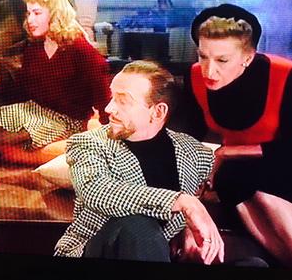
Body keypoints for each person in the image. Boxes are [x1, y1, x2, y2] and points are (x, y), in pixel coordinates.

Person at [55, 60, 224, 264]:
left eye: (122, 101)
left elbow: (218, 188)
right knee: (137, 226)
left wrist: (188, 227)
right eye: (112, 97)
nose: (109, 108)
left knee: (251, 264)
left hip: (163, 257)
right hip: (96, 252)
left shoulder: (193, 152)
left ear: (158, 112)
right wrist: (184, 202)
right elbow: (97, 191)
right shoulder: (88, 144)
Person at [174, 3, 292, 266]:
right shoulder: (195, 77)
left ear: (247, 57)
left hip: (283, 160)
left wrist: (228, 152)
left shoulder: (285, 75)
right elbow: (187, 137)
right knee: (232, 178)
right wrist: (192, 181)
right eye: (203, 56)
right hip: (235, 172)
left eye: (222, 60)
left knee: (239, 176)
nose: (209, 70)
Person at [0, 0, 110, 166]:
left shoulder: (80, 49)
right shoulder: (34, 47)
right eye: (28, 13)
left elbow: (103, 97)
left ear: (54, 14)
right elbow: (22, 94)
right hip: (34, 111)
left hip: (67, 121)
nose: (30, 20)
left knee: (1, 138)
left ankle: (15, 156)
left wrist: (110, 135)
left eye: (37, 13)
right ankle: (13, 155)